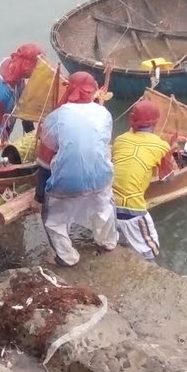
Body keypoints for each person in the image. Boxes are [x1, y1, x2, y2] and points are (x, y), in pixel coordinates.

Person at [32, 71, 116, 267]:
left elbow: (45, 162)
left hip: (67, 183)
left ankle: (66, 257)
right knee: (104, 206)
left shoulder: (55, 117)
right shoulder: (104, 114)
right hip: (101, 177)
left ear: (69, 88)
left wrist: (39, 195)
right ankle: (107, 242)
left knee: (53, 219)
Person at [111, 100, 174, 261]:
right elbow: (167, 178)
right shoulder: (162, 146)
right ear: (156, 122)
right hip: (133, 209)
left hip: (107, 204)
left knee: (117, 241)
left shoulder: (120, 140)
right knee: (151, 249)